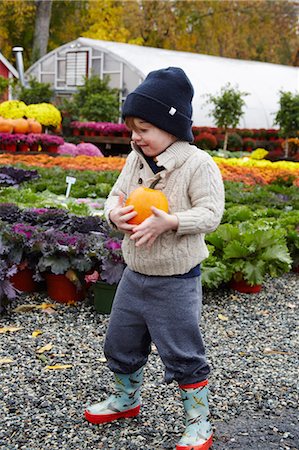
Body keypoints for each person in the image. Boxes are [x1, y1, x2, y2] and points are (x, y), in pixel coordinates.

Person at [84, 67, 225, 450]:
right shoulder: (134, 160)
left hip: (177, 279)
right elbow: (115, 196)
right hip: (135, 273)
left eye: (143, 128)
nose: (134, 136)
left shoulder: (198, 165)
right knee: (120, 341)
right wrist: (113, 214)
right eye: (132, 127)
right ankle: (126, 399)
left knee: (182, 352)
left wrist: (173, 221)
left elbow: (212, 214)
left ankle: (199, 421)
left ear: (170, 125)